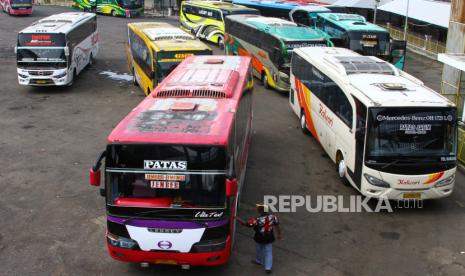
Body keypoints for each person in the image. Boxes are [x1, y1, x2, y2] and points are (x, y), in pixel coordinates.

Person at [237, 204, 282, 274]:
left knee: (259, 249)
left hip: (259, 238)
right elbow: (277, 226)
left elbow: (246, 224)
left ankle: (259, 261)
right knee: (268, 252)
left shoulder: (256, 220)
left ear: (261, 211)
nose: (257, 209)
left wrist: (237, 218)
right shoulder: (273, 217)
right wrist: (279, 234)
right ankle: (268, 268)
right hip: (269, 238)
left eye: (258, 209)